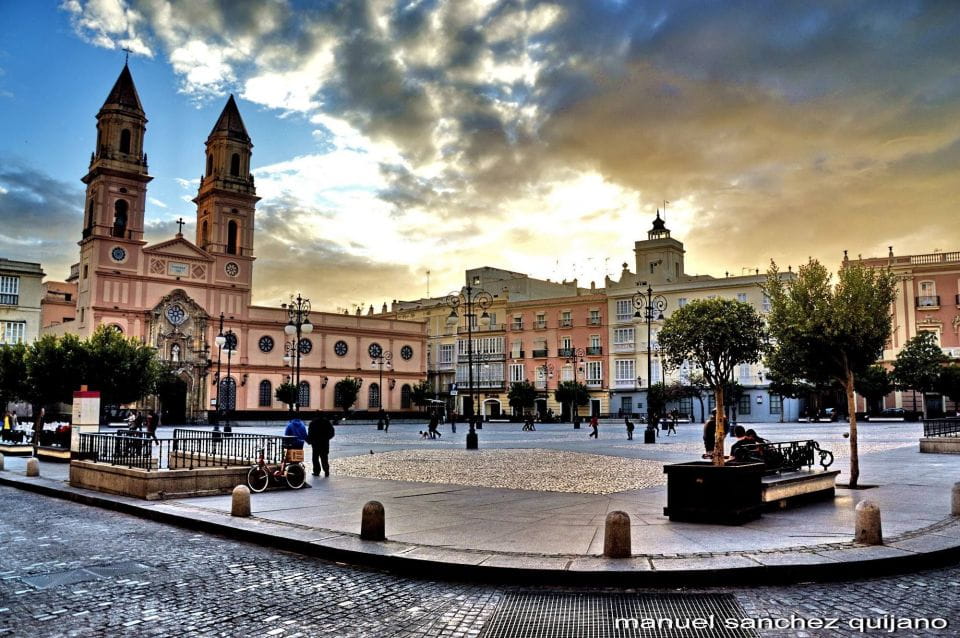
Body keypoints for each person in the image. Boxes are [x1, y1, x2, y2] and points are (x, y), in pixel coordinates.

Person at [307, 412, 335, 477]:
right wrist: (327, 438)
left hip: (315, 444)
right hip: (324, 443)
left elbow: (310, 433)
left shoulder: (313, 423)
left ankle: (316, 471)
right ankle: (326, 470)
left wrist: (310, 441)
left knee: (315, 458)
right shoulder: (327, 422)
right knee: (324, 458)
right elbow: (332, 432)